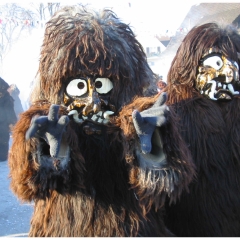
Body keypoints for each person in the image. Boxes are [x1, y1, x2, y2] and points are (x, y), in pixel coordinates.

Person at [0, 77, 17, 161]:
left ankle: (3, 157)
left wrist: (12, 124)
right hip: (3, 123)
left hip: (3, 124)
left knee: (3, 141)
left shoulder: (6, 98)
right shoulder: (6, 97)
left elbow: (10, 112)